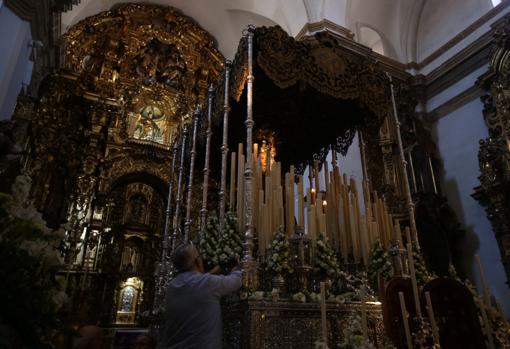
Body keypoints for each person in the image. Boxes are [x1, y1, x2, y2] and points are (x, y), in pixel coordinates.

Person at [160, 243, 242, 349]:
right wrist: (237, 270)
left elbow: (195, 285)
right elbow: (235, 282)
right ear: (197, 261)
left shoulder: (172, 287)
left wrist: (210, 274)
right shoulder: (206, 283)